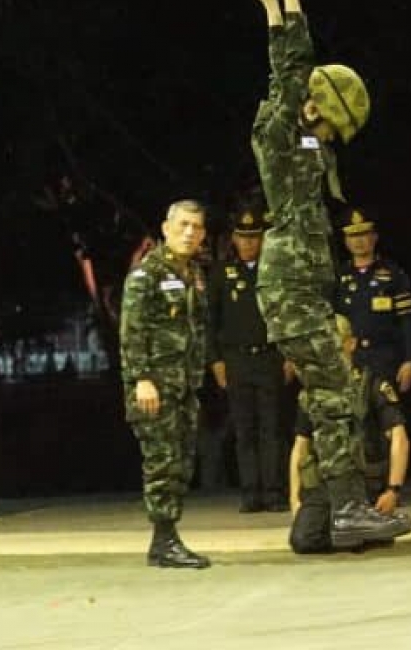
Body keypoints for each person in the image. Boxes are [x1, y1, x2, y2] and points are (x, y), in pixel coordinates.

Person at [250, 0, 411, 548]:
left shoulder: (307, 145)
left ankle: (329, 516)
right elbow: (292, 68)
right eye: (328, 123)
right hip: (290, 286)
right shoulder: (282, 134)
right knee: (335, 391)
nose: (331, 137)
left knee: (328, 392)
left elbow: (296, 69)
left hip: (301, 287)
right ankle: (347, 508)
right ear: (311, 109)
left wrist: (273, 0)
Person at [120, 199, 210, 569]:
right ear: (166, 228)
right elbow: (132, 330)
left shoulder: (194, 275)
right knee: (162, 463)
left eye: (197, 227)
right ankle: (164, 539)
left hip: (183, 386)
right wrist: (141, 378)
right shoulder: (148, 274)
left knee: (181, 463)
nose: (190, 233)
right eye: (184, 225)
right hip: (154, 387)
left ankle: (166, 539)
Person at [289, 315, 411, 553]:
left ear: (350, 344)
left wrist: (393, 490)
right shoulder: (315, 391)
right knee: (303, 540)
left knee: (365, 539)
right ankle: (349, 533)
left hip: (365, 482)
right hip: (328, 483)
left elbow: (399, 438)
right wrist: (294, 499)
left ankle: (364, 528)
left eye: (335, 342)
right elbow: (300, 447)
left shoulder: (372, 384)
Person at [207, 206, 290, 512]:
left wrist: (289, 357)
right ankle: (250, 493)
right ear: (234, 239)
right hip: (236, 360)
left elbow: (286, 317)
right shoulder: (221, 273)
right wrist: (215, 361)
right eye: (243, 237)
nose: (248, 243)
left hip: (269, 357)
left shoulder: (276, 273)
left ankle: (273, 492)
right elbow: (209, 322)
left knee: (272, 428)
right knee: (244, 430)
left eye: (254, 237)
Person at [336, 208, 411, 391]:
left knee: (388, 415)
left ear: (374, 237)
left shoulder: (393, 274)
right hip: (348, 360)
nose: (358, 241)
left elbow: (408, 320)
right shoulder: (338, 278)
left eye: (364, 234)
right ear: (346, 240)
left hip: (385, 360)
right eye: (353, 235)